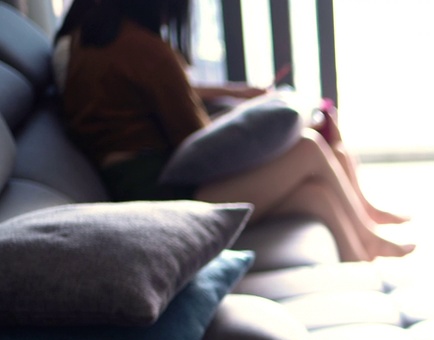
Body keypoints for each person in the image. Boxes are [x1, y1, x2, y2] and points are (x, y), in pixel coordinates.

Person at [53, 0, 413, 261]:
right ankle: (368, 238)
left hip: (136, 187)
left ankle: (361, 256)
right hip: (162, 197)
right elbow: (196, 138)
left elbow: (152, 93)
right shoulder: (148, 52)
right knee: (308, 148)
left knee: (316, 195)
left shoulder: (90, 39)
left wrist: (234, 94)